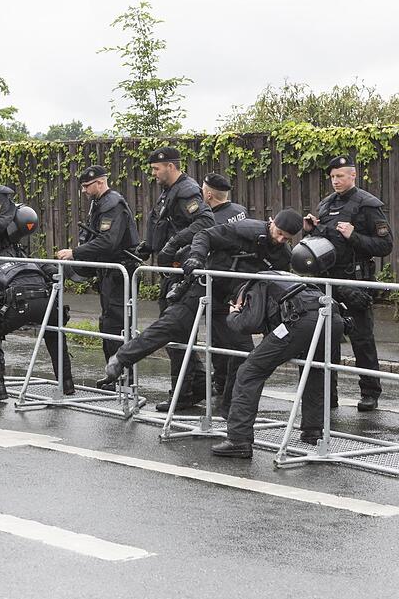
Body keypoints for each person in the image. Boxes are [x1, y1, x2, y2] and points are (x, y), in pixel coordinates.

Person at [100, 210, 301, 416]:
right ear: (271, 222)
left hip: (231, 303)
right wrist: (196, 257)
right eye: (279, 233)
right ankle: (121, 359)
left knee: (242, 351)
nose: (280, 239)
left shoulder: (282, 255)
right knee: (172, 324)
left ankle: (231, 409)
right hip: (205, 287)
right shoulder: (243, 230)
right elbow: (204, 235)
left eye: (286, 238)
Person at [210, 267, 345, 458]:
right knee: (315, 371)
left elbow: (249, 323)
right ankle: (313, 431)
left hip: (300, 321)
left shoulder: (254, 284)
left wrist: (233, 314)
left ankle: (238, 439)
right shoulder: (287, 279)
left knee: (249, 371)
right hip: (332, 319)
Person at [303, 155, 393, 411]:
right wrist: (312, 230)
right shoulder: (326, 204)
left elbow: (385, 245)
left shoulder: (367, 205)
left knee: (362, 338)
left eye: (340, 176)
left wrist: (354, 236)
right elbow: (326, 244)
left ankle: (370, 392)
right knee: (326, 338)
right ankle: (328, 393)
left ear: (353, 175)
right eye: (332, 177)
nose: (336, 181)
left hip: (356, 281)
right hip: (329, 280)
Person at [132, 147, 214, 408]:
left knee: (174, 332)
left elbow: (205, 221)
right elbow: (167, 224)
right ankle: (196, 384)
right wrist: (150, 245)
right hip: (172, 270)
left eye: (156, 169)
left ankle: (184, 393)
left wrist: (174, 244)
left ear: (170, 166)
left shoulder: (186, 190)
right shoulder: (170, 191)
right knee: (176, 335)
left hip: (182, 272)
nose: (153, 174)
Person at [55, 165, 139, 364]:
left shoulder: (112, 204)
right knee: (107, 323)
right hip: (108, 272)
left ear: (100, 182)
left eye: (86, 186)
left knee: (116, 325)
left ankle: (121, 378)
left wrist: (75, 253)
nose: (83, 190)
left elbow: (108, 242)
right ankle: (112, 374)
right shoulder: (99, 202)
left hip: (120, 271)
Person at [0, 260, 74, 402]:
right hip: (45, 304)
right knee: (55, 332)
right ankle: (67, 383)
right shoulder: (33, 263)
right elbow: (55, 274)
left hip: (19, 305)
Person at [199, 172, 249, 401]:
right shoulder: (240, 211)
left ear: (209, 194)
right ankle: (233, 380)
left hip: (220, 285)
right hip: (241, 283)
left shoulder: (212, 219)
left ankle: (222, 383)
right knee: (237, 335)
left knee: (219, 338)